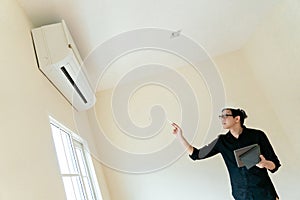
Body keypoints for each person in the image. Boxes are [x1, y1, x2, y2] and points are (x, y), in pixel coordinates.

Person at [172, 108, 281, 200]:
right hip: (241, 195)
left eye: (226, 116)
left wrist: (265, 163)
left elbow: (275, 165)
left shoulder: (258, 135)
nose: (222, 119)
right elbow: (197, 154)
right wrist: (180, 137)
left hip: (264, 193)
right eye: (221, 116)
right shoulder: (222, 141)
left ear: (237, 118)